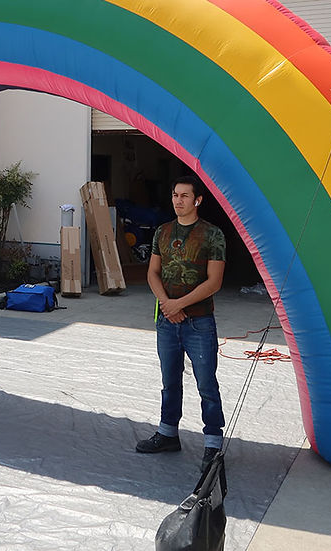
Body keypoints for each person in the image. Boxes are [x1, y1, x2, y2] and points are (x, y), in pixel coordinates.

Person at [135, 175, 226, 473]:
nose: (178, 200)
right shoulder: (162, 232)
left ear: (197, 200)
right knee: (169, 381)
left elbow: (214, 282)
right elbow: (152, 273)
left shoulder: (212, 235)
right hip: (167, 321)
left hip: (198, 322)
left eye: (185, 196)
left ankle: (213, 444)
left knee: (206, 384)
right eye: (175, 195)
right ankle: (168, 433)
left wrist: (179, 305)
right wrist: (166, 304)